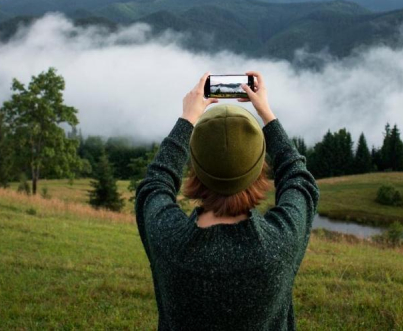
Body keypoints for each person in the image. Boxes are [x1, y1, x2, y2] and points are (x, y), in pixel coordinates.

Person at [134, 71, 320, 330]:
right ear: (259, 170)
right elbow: (300, 180)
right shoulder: (281, 242)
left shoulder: (168, 239)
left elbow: (154, 184)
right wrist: (266, 113)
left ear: (194, 170)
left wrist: (187, 118)